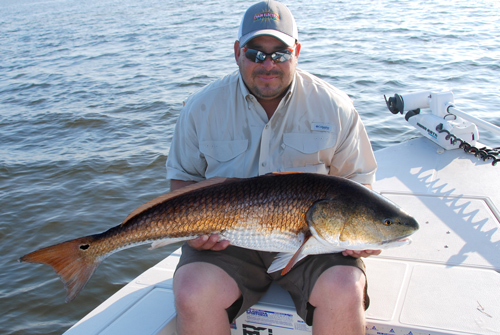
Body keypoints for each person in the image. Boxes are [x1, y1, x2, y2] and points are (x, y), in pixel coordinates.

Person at [166, 1, 380, 334]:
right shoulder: (201, 108)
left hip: (313, 241)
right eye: (255, 53)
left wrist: (363, 234)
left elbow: (359, 182)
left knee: (345, 288)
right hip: (227, 242)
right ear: (237, 51)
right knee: (192, 292)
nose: (268, 64)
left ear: (296, 50)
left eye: (279, 53)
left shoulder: (334, 107)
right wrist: (193, 235)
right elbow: (183, 182)